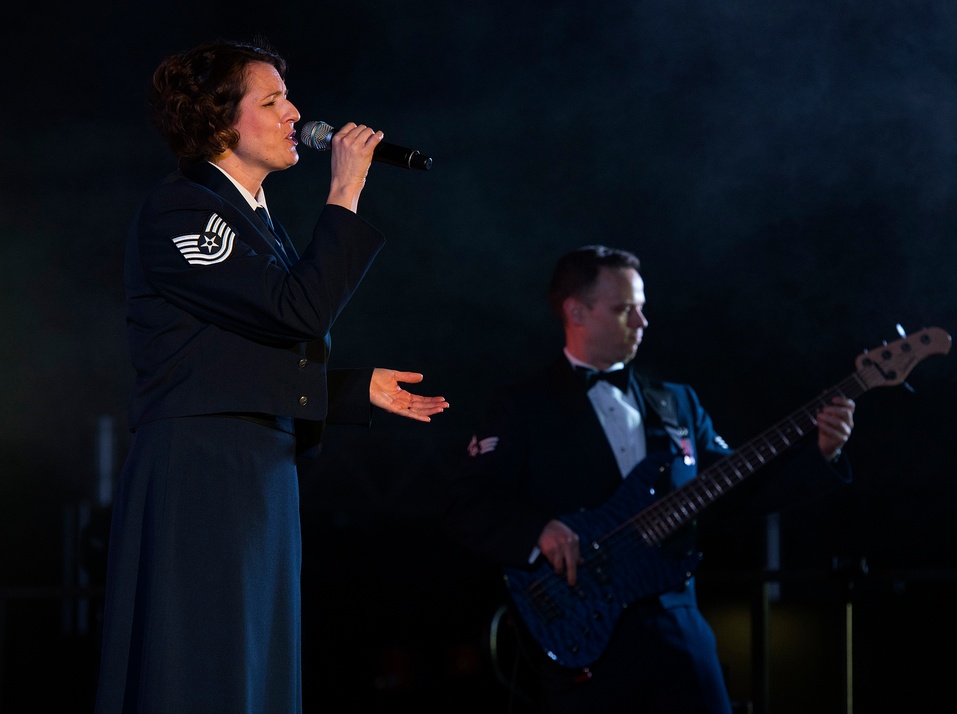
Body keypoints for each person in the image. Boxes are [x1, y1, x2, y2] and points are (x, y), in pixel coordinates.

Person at [94, 38, 448, 713]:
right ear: (221, 122)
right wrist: (345, 189)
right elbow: (297, 311)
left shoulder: (255, 221)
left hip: (257, 468)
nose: (296, 112)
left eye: (289, 97)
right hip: (201, 472)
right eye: (272, 99)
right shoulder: (182, 211)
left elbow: (232, 358)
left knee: (253, 670)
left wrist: (349, 389)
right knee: (200, 668)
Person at [442, 245, 855, 713]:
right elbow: (467, 502)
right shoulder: (523, 405)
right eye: (624, 310)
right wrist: (537, 530)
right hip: (583, 625)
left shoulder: (677, 402)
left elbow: (736, 489)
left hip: (676, 618)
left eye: (641, 307)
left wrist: (821, 452)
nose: (642, 322)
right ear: (576, 311)